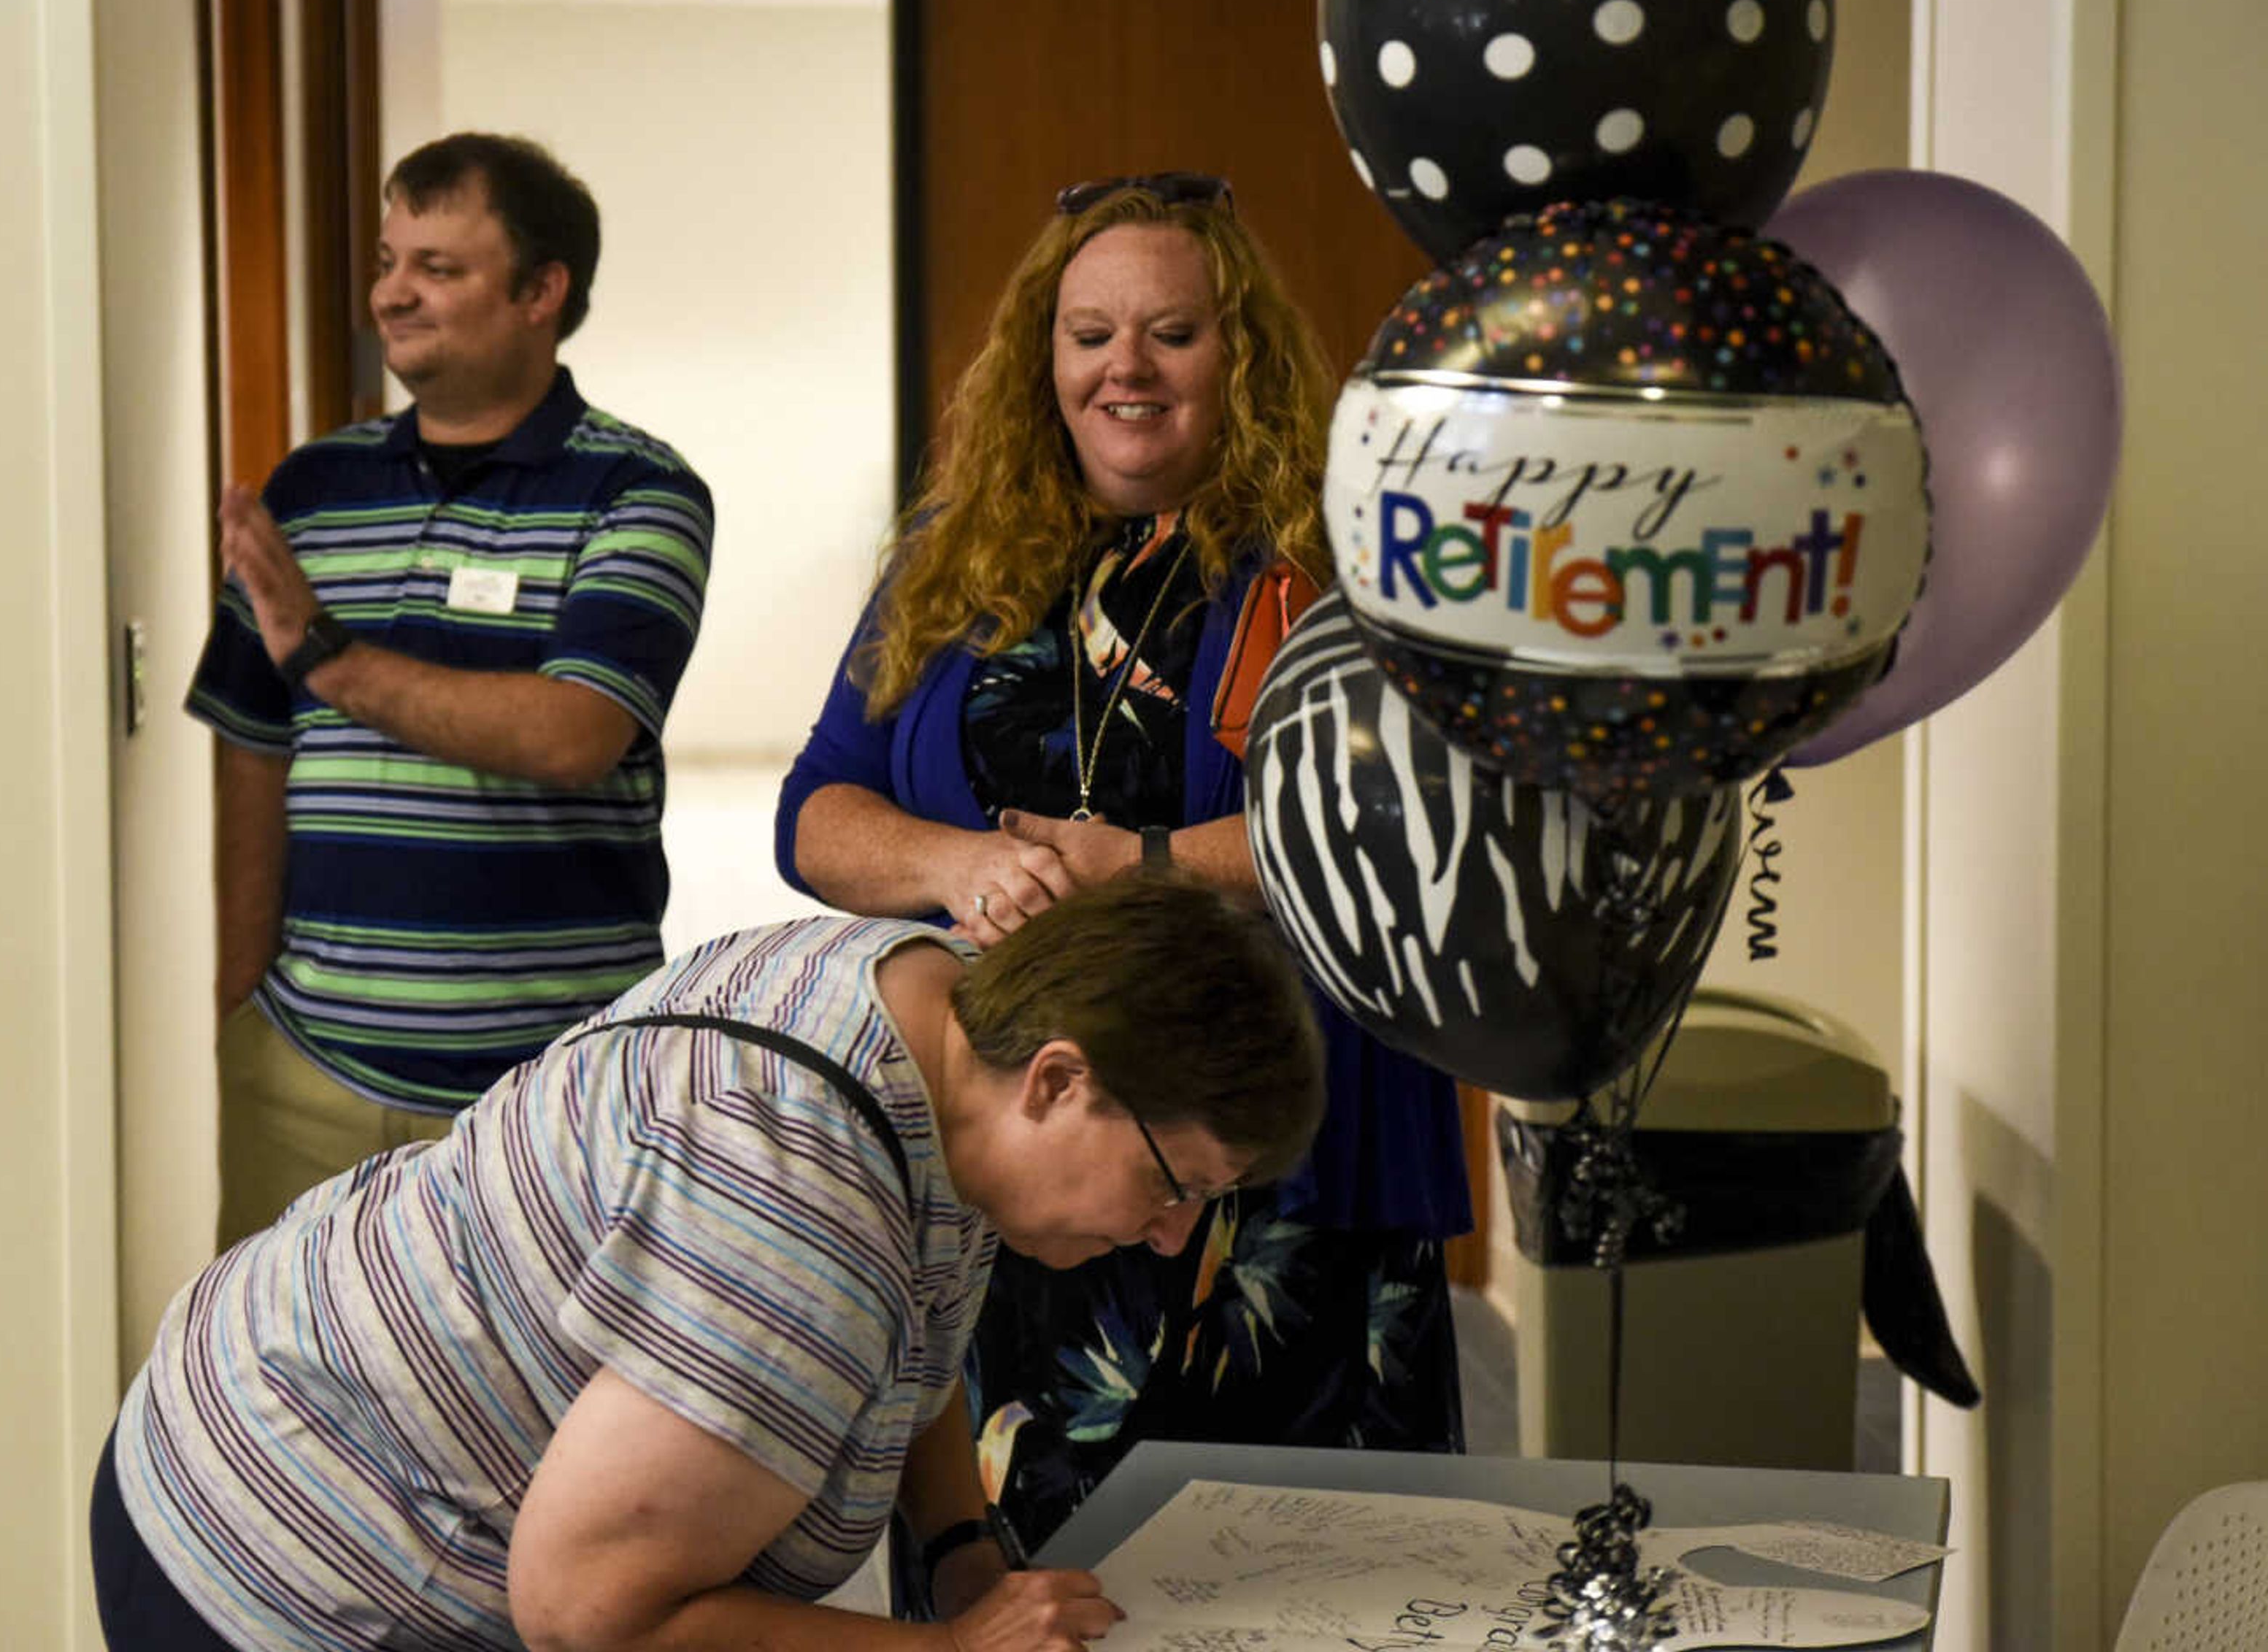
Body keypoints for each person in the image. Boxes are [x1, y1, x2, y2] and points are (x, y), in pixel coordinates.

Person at [92, 872, 1326, 1652]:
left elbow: (919, 1325)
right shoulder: (797, 1217)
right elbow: (592, 1615)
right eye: (1178, 1186)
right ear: (1061, 1079)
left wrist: (958, 1552)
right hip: (290, 1548)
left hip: (292, 1382)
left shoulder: (927, 997)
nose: (1174, 1239)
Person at [776, 174, 1473, 1552]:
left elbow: (1399, 815)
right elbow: (815, 814)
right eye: (1090, 334)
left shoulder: (1337, 559)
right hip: (1027, 1172)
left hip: (1274, 1165)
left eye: (1173, 332)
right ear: (1045, 358)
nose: (1126, 369)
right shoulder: (951, 556)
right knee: (1032, 1569)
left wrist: (1149, 864)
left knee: (1306, 1577)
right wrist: (957, 863)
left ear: (1242, 356)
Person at [187, 132, 715, 1248]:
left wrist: (329, 657)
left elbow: (575, 732)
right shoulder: (314, 489)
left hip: (546, 1090)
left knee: (527, 1411)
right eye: (388, 261)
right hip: (304, 1075)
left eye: (438, 266)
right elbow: (252, 744)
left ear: (540, 291)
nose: (393, 294)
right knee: (283, 1397)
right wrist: (239, 992)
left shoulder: (640, 491)